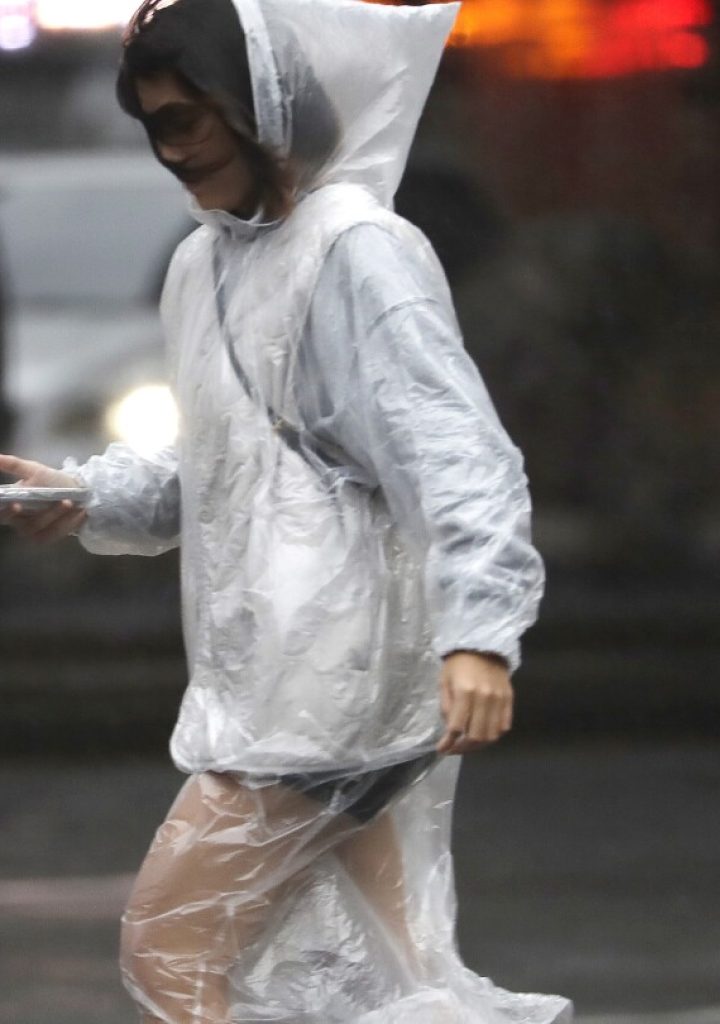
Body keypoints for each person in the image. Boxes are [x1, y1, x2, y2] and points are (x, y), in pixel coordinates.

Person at [0, 1, 572, 1021]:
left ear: (257, 106)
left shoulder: (359, 254)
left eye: (186, 120)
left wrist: (481, 635)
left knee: (171, 951)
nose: (171, 153)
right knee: (397, 979)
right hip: (283, 688)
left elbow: (457, 455)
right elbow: (228, 468)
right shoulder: (206, 265)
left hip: (329, 702)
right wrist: (83, 496)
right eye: (153, 126)